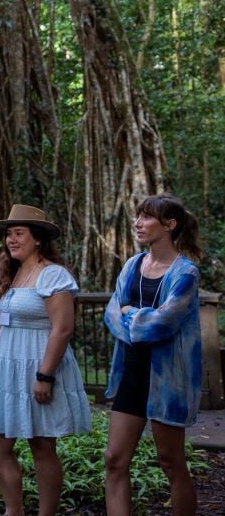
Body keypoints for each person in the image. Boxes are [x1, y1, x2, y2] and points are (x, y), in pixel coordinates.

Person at [0, 204, 91, 516]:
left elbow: (63, 328)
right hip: (9, 370)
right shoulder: (14, 274)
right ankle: (13, 510)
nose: (11, 240)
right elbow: (1, 326)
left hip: (40, 365)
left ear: (37, 238)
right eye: (9, 235)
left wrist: (45, 375)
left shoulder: (52, 274)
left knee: (42, 445)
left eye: (19, 233)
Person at [103, 194, 203, 516]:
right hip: (132, 373)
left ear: (169, 225)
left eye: (146, 217)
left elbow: (164, 323)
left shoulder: (185, 273)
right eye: (138, 216)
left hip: (168, 381)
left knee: (171, 462)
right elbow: (111, 315)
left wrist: (131, 313)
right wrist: (138, 315)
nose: (137, 223)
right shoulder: (132, 265)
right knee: (115, 459)